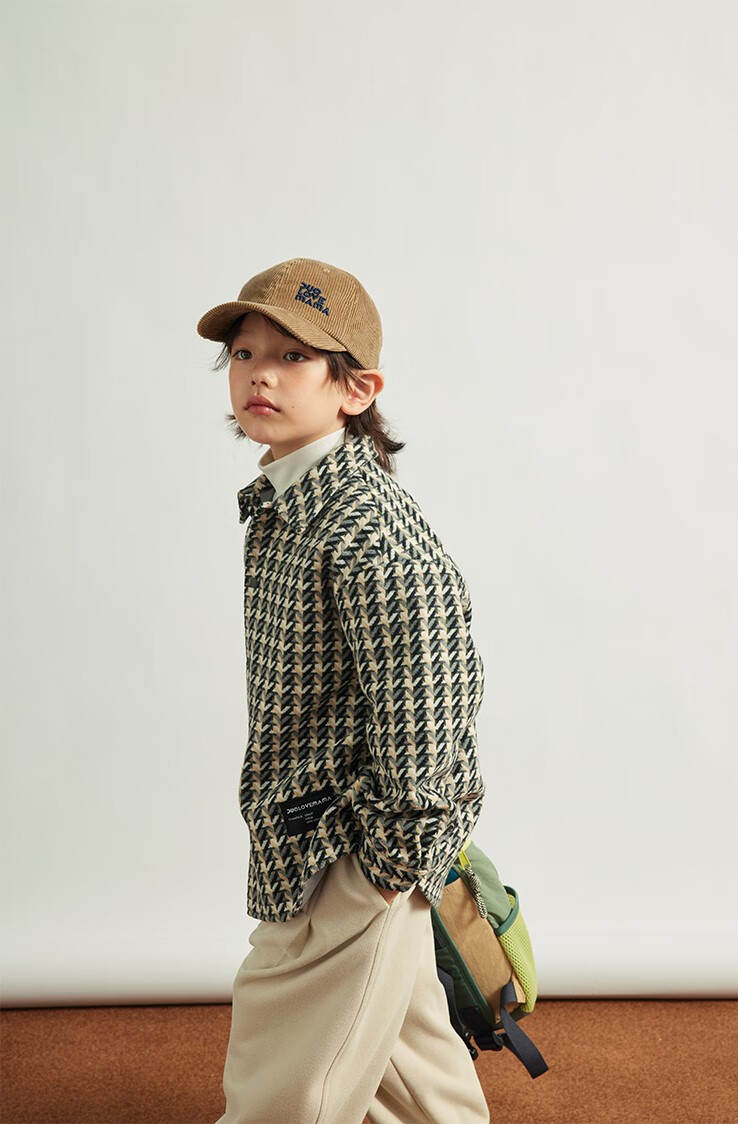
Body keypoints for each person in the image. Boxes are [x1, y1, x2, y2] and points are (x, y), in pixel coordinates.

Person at [196, 257, 491, 1123]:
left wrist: (385, 868)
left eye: (293, 356)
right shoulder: (292, 502)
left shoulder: (363, 525)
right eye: (245, 353)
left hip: (344, 852)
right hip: (318, 842)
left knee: (280, 1088)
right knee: (415, 1082)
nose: (260, 374)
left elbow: (429, 709)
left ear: (357, 389)